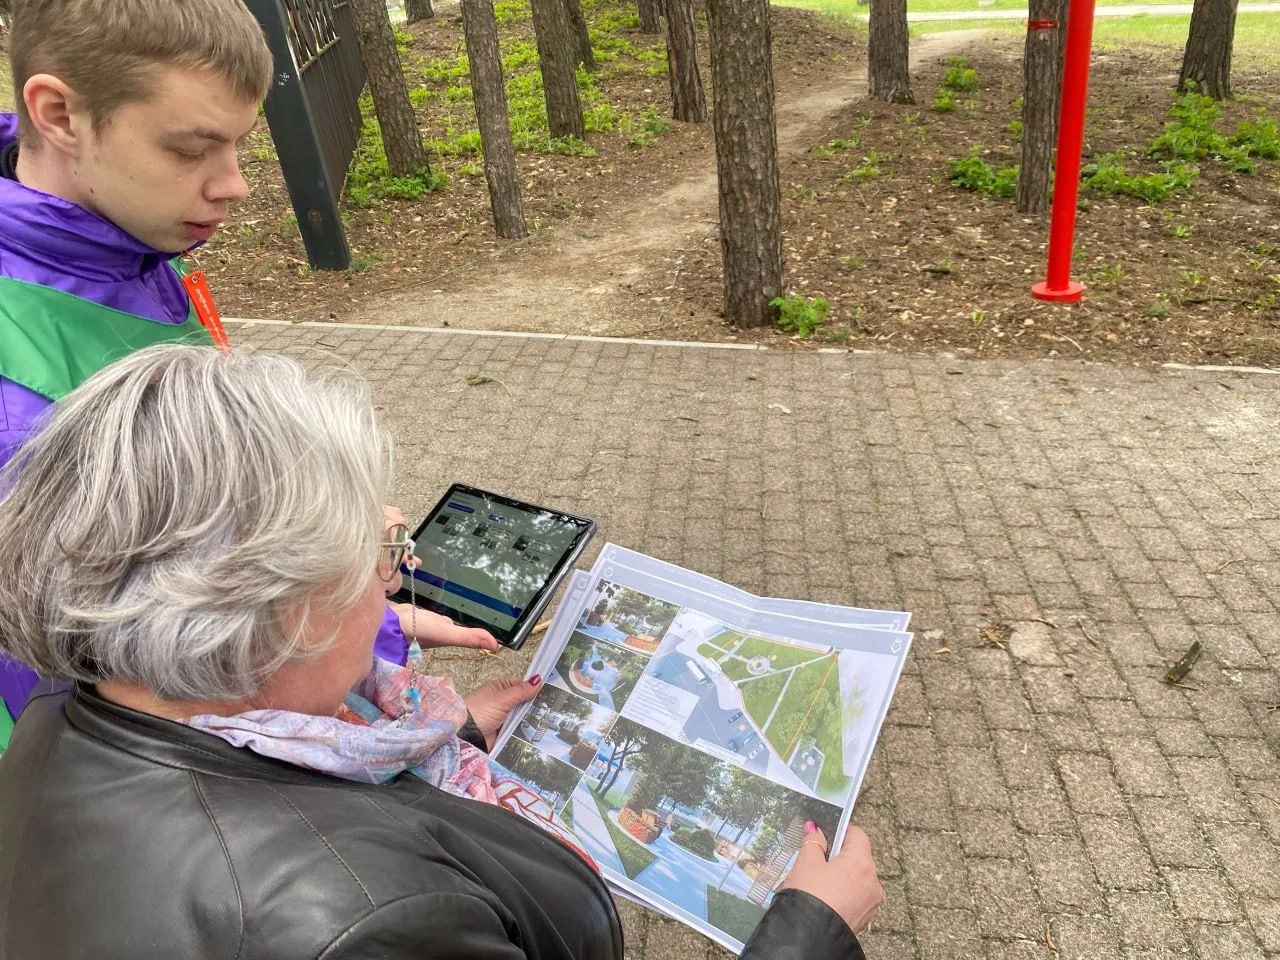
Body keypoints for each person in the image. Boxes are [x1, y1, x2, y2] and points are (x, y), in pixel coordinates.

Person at [0, 345, 883, 958]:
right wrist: (806, 933)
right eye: (376, 559)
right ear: (284, 613)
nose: (391, 587)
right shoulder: (376, 924)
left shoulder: (74, 703)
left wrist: (451, 735)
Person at [0, 0, 491, 729]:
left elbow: (197, 533)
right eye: (191, 149)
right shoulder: (21, 387)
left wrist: (354, 590)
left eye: (237, 145)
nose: (235, 184)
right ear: (60, 115)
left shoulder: (131, 250)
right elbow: (131, 690)